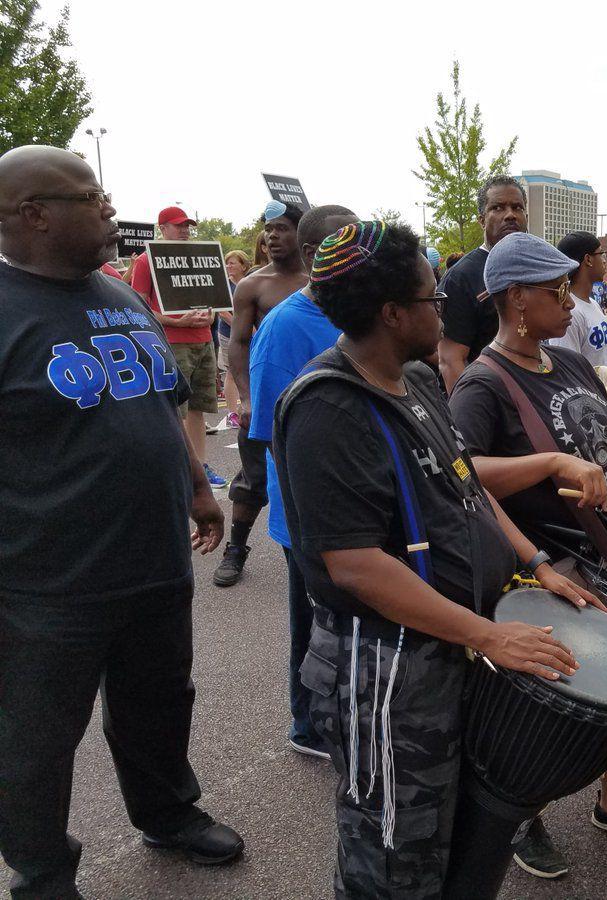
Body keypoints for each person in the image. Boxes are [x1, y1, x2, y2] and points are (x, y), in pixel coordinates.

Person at [276, 220, 598, 897]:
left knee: (458, 840)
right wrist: (486, 635)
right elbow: (355, 564)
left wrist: (535, 562)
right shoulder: (330, 406)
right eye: (432, 298)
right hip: (385, 671)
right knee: (392, 852)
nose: (446, 310)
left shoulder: (418, 378)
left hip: (446, 646)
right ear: (393, 313)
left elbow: (467, 488)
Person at [0, 144, 242, 900]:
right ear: (32, 214)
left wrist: (199, 487)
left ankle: (168, 814)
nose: (110, 207)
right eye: (91, 196)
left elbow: (160, 404)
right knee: (36, 739)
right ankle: (40, 871)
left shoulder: (120, 295)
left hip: (152, 558)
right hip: (48, 578)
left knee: (159, 703)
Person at [450, 232, 607, 878]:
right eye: (556, 289)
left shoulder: (573, 363)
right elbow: (463, 475)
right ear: (517, 300)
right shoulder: (483, 382)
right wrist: (544, 486)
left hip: (599, 549)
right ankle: (518, 814)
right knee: (544, 699)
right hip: (540, 566)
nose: (571, 297)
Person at [245, 204, 359, 759]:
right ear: (315, 257)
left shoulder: (354, 309)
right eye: (347, 243)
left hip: (356, 503)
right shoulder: (285, 325)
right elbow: (270, 429)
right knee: (311, 624)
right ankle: (307, 726)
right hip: (307, 510)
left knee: (344, 619)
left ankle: (340, 711)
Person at [214, 200, 309, 587]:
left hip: (311, 398)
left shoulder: (319, 280)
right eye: (268, 230)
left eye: (283, 228)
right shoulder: (253, 284)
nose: (273, 236)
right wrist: (250, 398)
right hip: (267, 399)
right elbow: (237, 343)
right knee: (252, 480)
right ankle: (236, 549)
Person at [130, 205, 225, 488]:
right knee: (176, 411)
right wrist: (176, 321)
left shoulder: (201, 257)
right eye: (178, 225)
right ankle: (179, 469)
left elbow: (215, 300)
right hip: (172, 343)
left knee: (198, 409)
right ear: (163, 228)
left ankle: (200, 467)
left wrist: (212, 314)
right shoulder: (147, 261)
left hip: (204, 340)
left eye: (187, 226)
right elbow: (138, 305)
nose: (185, 231)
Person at [437, 175, 528, 391]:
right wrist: (472, 414)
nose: (510, 215)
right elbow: (450, 361)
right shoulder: (461, 278)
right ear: (481, 220)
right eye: (498, 208)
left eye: (517, 208)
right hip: (488, 401)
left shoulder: (535, 268)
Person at [548, 231, 607, 366]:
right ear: (588, 259)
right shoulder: (568, 312)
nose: (604, 260)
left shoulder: (593, 304)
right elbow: (567, 370)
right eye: (601, 254)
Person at [219, 249, 251, 427]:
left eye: (233, 263)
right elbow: (222, 313)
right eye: (227, 263)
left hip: (249, 332)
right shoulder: (225, 286)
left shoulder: (249, 283)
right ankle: (232, 413)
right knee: (232, 370)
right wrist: (241, 326)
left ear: (243, 265)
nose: (229, 266)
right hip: (228, 333)